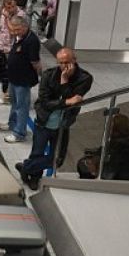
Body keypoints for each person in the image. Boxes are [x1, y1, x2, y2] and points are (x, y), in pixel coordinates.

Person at [16, 48, 93, 190]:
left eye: (67, 62)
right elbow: (45, 101)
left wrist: (64, 83)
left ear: (74, 60)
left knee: (57, 160)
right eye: (61, 63)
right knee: (37, 152)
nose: (64, 66)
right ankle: (34, 176)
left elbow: (74, 101)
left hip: (63, 124)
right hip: (44, 121)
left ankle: (26, 167)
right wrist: (65, 102)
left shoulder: (85, 78)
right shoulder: (48, 75)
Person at [77, 114, 129, 182]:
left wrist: (96, 172)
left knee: (83, 167)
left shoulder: (120, 146)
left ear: (115, 130)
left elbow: (110, 171)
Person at [3, 15, 41, 144]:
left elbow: (35, 62)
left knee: (22, 106)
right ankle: (12, 124)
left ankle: (19, 133)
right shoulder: (19, 37)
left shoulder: (32, 41)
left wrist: (39, 76)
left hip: (23, 79)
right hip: (14, 77)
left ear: (25, 26)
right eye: (13, 30)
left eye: (17, 29)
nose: (14, 32)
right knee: (14, 103)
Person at [0, 0, 25, 104]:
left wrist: (8, 18)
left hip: (12, 49)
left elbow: (13, 31)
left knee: (10, 73)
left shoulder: (20, 15)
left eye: (12, 6)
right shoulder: (4, 13)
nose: (10, 9)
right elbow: (1, 28)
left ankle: (9, 96)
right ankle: (5, 93)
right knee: (2, 72)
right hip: (2, 46)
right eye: (7, 8)